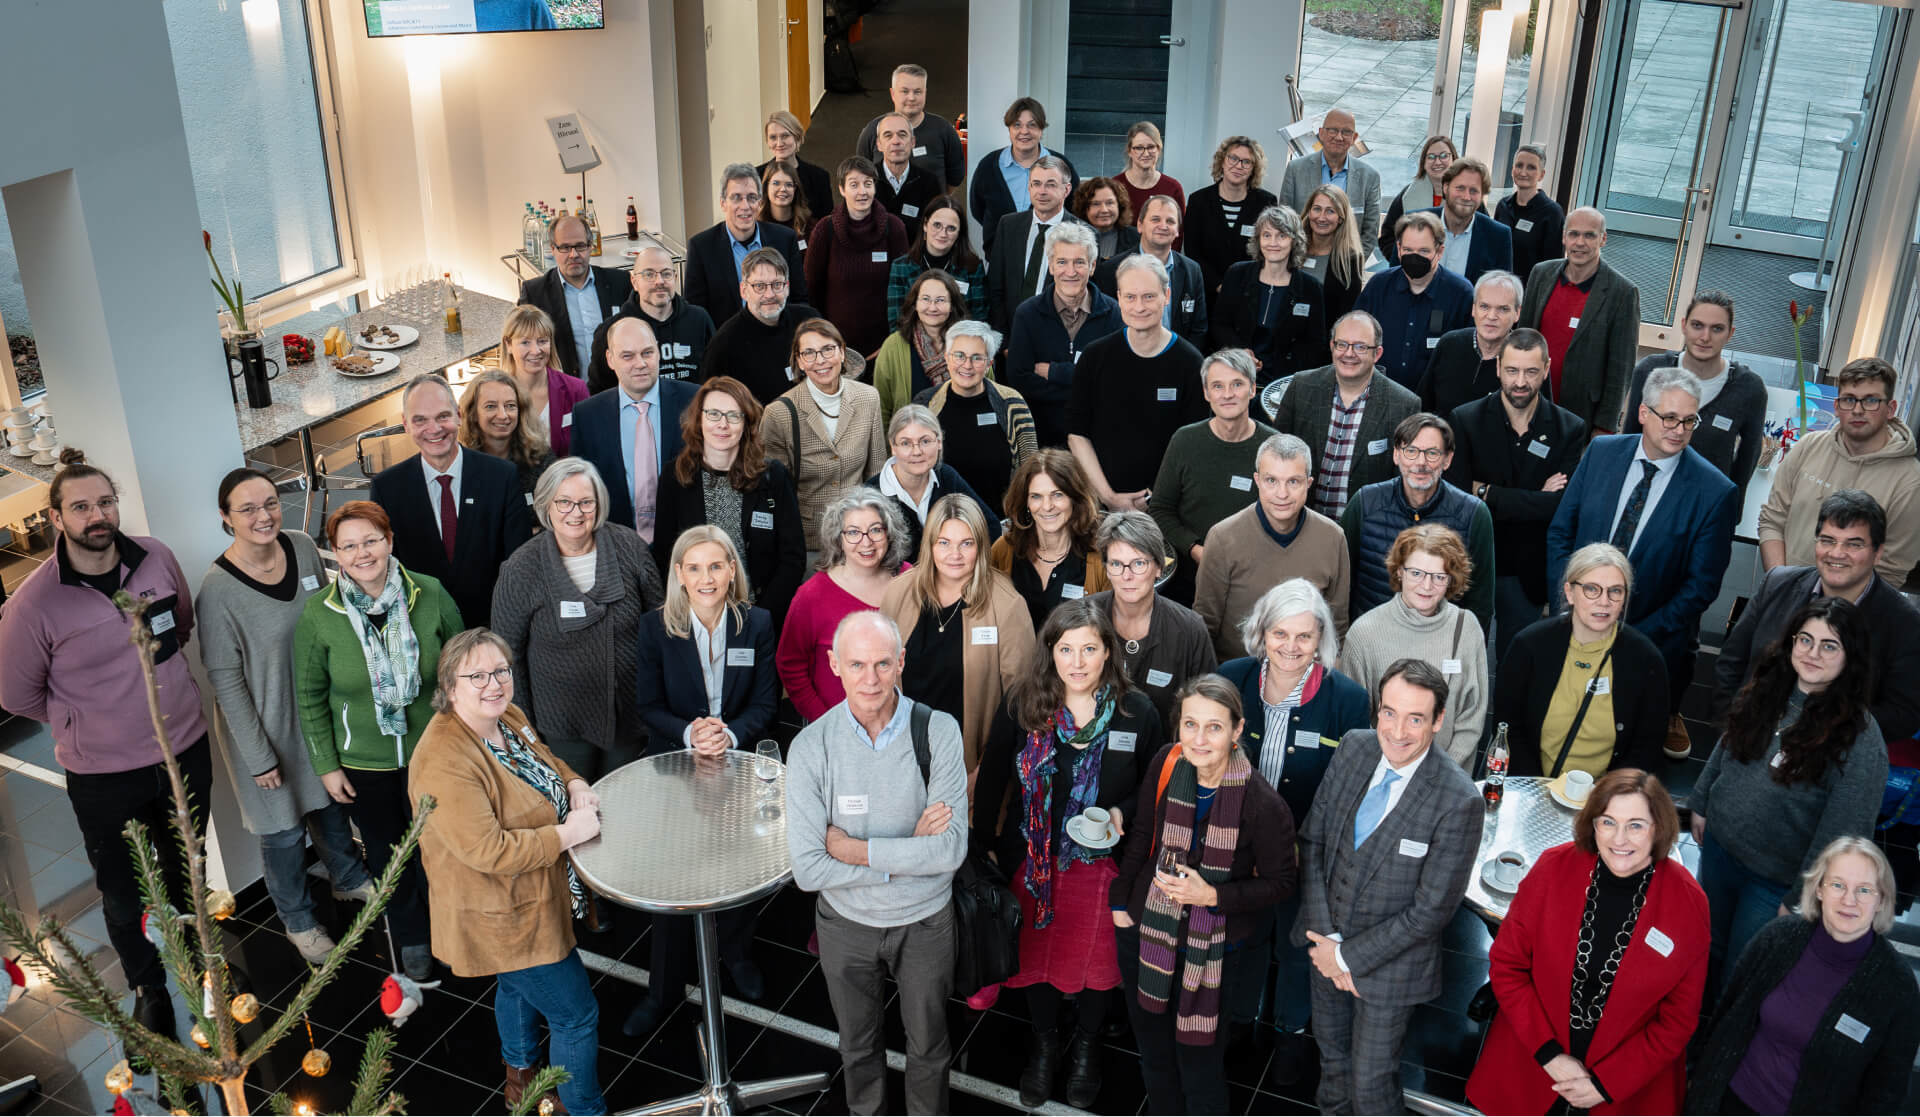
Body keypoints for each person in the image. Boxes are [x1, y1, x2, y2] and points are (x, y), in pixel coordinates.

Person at [0, 450, 211, 1037]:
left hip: (184, 750)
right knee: (122, 889)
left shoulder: (157, 558)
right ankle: (149, 987)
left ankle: (202, 969)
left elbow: (182, 626)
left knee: (187, 868)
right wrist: (84, 721)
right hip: (103, 778)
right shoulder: (34, 605)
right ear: (57, 516)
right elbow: (17, 695)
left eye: (106, 502)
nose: (98, 515)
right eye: (82, 506)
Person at [408, 628, 607, 1115]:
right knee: (577, 1017)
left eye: (500, 670)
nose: (493, 683)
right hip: (501, 914)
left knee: (516, 986)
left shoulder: (506, 716)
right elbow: (489, 850)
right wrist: (569, 834)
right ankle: (583, 1110)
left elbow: (547, 762)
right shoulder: (444, 759)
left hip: (534, 896)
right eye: (476, 675)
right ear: (450, 688)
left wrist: (575, 783)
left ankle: (520, 1079)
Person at [972, 601, 1160, 1109]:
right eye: (1066, 649)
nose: (1077, 662)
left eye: (1090, 649)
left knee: (1095, 966)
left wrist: (1120, 814)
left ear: (1107, 653)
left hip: (1101, 868)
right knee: (1036, 960)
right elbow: (992, 780)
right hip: (1031, 862)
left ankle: (1087, 1047)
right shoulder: (1024, 703)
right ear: (1050, 651)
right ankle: (1047, 1042)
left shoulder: (1135, 711)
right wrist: (982, 845)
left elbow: (1151, 791)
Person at [786, 610, 968, 1115]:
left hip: (925, 922)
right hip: (846, 927)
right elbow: (808, 868)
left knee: (929, 1046)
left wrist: (854, 849)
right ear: (834, 665)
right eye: (858, 664)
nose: (871, 679)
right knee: (857, 1045)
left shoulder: (939, 732)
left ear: (901, 662)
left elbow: (950, 850)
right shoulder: (810, 747)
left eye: (883, 664)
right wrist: (909, 846)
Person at [198, 468, 374, 964]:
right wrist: (258, 758)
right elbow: (226, 681)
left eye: (270, 503)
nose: (263, 516)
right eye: (248, 508)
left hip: (316, 713)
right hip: (266, 727)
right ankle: (297, 919)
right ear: (226, 518)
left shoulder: (298, 546)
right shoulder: (218, 591)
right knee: (282, 832)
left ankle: (348, 877)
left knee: (331, 804)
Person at [1293, 659, 1481, 1115]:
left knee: (1372, 1082)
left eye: (1416, 718)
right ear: (1377, 710)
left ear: (1438, 721)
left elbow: (1430, 912)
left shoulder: (1458, 800)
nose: (1398, 731)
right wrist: (1327, 942)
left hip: (1390, 969)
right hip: (1324, 944)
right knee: (1332, 1060)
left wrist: (1346, 957)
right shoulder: (1354, 748)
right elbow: (1314, 839)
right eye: (1390, 713)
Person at [1466, 769, 1707, 1116]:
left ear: (1659, 828)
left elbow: (1677, 1021)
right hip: (1531, 1062)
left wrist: (1606, 1083)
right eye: (1608, 822)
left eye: (1636, 825)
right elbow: (1508, 966)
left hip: (1625, 1089)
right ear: (1592, 824)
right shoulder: (1553, 868)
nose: (1620, 839)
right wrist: (1548, 1054)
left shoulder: (1688, 903)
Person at [1111, 674, 1296, 1115]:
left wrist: (1212, 896)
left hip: (1213, 949)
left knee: (1198, 1066)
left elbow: (1282, 883)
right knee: (1154, 1055)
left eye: (1214, 726)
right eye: (1190, 724)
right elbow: (1142, 835)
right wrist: (1121, 904)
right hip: (1147, 931)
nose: (1199, 738)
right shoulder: (1166, 762)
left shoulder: (1262, 804)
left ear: (1237, 730)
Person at [294, 500, 463, 981]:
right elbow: (309, 696)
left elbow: (462, 668)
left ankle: (452, 931)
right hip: (364, 765)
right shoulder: (319, 616)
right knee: (391, 856)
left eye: (371, 540)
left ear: (390, 541)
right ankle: (411, 937)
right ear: (335, 554)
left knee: (443, 847)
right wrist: (327, 764)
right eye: (349, 545)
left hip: (434, 753)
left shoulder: (428, 593)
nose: (362, 552)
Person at [1691, 597, 1888, 994]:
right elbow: (1728, 744)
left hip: (1774, 883)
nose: (1813, 653)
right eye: (1805, 640)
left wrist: (1801, 898)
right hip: (1718, 851)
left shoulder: (1861, 738)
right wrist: (1700, 800)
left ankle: (1717, 1053)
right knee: (1700, 954)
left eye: (1829, 645)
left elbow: (1843, 833)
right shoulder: (1770, 688)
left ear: (1851, 657)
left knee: (1744, 975)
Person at [627, 526, 780, 1033]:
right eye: (694, 568)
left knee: (738, 870)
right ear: (679, 575)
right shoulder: (656, 628)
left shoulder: (756, 624)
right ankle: (662, 989)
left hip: (735, 764)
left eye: (716, 566)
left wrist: (730, 736)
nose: (706, 577)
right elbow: (648, 705)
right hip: (676, 767)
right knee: (673, 877)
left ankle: (737, 958)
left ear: (732, 569)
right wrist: (691, 733)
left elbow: (764, 703)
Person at [1214, 579, 1369, 1081]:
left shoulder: (1348, 699)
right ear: (1261, 633)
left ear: (1320, 638)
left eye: (1304, 637)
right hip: (1236, 843)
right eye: (1280, 633)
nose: (1291, 647)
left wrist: (1306, 846)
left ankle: (1288, 1029)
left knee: (1296, 940)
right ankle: (1239, 1019)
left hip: (1309, 849)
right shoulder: (1231, 680)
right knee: (1243, 932)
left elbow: (1347, 789)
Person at [1547, 366, 1738, 760]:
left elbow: (1700, 587)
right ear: (1643, 413)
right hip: (1572, 625)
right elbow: (1561, 534)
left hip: (1647, 641)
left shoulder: (1714, 492)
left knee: (1622, 751)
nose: (1679, 429)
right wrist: (1569, 605)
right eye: (1669, 417)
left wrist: (1633, 635)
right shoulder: (1601, 453)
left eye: (1689, 420)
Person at [1686, 837, 1920, 1115]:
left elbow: (1885, 1093)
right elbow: (1726, 1014)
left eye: (1865, 890)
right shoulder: (1779, 937)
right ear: (1819, 888)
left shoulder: (1898, 988)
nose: (1849, 900)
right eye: (1837, 885)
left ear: (1882, 899)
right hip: (1725, 1101)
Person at [492, 457, 664, 784]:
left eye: (586, 502)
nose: (576, 512)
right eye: (564, 502)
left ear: (599, 505)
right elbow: (505, 659)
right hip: (559, 729)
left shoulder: (631, 549)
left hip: (630, 718)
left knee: (625, 808)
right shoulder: (520, 569)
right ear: (546, 506)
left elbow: (660, 627)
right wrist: (525, 731)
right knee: (575, 815)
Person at [1714, 489, 1920, 744]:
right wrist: (1732, 729)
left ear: (1878, 552)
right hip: (1746, 743)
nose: (1836, 553)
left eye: (1853, 544)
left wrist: (1819, 737)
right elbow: (1731, 663)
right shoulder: (1777, 585)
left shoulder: (1904, 624)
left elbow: (1903, 715)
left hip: (1829, 763)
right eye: (1827, 540)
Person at [1445, 327, 1589, 660]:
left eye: (1530, 371)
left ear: (1547, 369)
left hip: (1528, 572)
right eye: (1511, 370)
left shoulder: (1570, 428)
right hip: (1472, 563)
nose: (1520, 382)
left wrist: (1485, 490)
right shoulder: (1465, 420)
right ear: (1498, 368)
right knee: (1458, 660)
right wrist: (1533, 497)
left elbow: (1557, 507)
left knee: (1516, 664)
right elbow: (1457, 499)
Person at [881, 495, 1037, 773]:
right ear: (930, 544)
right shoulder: (898, 592)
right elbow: (880, 675)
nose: (955, 555)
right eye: (944, 543)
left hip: (970, 764)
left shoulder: (1007, 604)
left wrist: (986, 768)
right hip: (902, 756)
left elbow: (1022, 700)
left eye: (967, 543)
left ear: (981, 546)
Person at [370, 373, 531, 628]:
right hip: (425, 632)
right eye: (420, 420)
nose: (434, 429)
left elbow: (519, 564)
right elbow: (387, 573)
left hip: (492, 627)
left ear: (457, 415)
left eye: (443, 416)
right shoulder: (387, 488)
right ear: (406, 424)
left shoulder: (501, 476)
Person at [1498, 542, 1668, 778]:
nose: (1604, 601)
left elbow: (1646, 749)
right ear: (1570, 592)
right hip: (1532, 788)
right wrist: (1537, 789)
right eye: (1592, 589)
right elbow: (1508, 728)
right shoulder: (1529, 646)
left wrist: (1604, 798)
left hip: (1604, 800)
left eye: (1615, 591)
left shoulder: (1646, 660)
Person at [653, 376, 806, 630]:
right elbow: (665, 555)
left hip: (760, 616)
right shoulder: (675, 477)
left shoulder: (772, 476)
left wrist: (761, 618)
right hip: (694, 618)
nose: (723, 424)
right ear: (698, 419)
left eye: (734, 416)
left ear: (746, 423)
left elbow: (792, 557)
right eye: (713, 414)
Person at [1758, 355, 1920, 584]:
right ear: (1836, 406)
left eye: (1871, 400)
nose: (1857, 410)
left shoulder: (1911, 482)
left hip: (1845, 615)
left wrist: (1829, 612)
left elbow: (1890, 572)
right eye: (1849, 399)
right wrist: (1780, 584)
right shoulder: (1808, 446)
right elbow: (1773, 520)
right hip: (1780, 596)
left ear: (1891, 408)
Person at [1068, 254, 1208, 511]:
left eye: (1149, 296)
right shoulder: (1094, 357)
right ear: (1118, 297)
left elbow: (1194, 446)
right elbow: (1078, 436)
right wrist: (1109, 497)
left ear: (1166, 296)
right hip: (1100, 504)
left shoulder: (1190, 364)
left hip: (1167, 508)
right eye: (1130, 297)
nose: (1139, 307)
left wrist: (1156, 499)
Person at [1193, 433, 1352, 658]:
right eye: (1271, 481)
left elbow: (1337, 627)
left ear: (1308, 483)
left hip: (1305, 674)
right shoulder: (1222, 538)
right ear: (1257, 481)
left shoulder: (1333, 538)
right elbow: (1204, 626)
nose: (1282, 493)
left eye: (1293, 482)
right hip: (1237, 674)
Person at [1339, 523, 1487, 765]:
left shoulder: (1467, 628)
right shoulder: (1365, 633)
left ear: (1451, 579)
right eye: (1416, 573)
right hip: (1383, 772)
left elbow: (1472, 715)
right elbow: (1355, 722)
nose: (1426, 586)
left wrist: (1447, 770)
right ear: (1399, 571)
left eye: (1439, 577)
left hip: (1446, 777)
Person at [1340, 412, 1496, 633]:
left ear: (1447, 459)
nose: (1420, 462)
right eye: (1411, 451)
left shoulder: (1474, 514)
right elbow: (1341, 581)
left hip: (1439, 644)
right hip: (1372, 639)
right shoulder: (1365, 503)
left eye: (1432, 453)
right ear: (1396, 455)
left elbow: (1480, 602)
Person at [1149, 348, 1276, 605]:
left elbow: (1284, 517)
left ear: (1253, 390)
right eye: (1217, 386)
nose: (1227, 394)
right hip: (1187, 582)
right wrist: (1197, 551)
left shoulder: (1273, 447)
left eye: (1237, 384)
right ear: (1206, 393)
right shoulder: (1185, 440)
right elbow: (1160, 510)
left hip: (1252, 583)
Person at [1271, 310, 1422, 520]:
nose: (1349, 353)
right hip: (1299, 521)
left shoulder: (1404, 404)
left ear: (1377, 353)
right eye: (1342, 344)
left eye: (1360, 347)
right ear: (1332, 347)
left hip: (1364, 529)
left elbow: (1403, 482)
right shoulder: (1302, 386)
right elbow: (1274, 455)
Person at [779, 490, 914, 722]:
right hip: (837, 726)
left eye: (875, 530)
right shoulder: (811, 596)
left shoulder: (909, 579)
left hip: (904, 723)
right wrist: (825, 721)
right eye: (853, 532)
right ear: (838, 538)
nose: (866, 542)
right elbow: (790, 665)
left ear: (889, 533)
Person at [760, 318, 888, 554]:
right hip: (808, 542)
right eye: (809, 353)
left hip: (861, 539)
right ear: (799, 361)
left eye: (828, 349)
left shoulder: (868, 398)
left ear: (842, 352)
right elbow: (773, 492)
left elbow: (876, 475)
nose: (820, 360)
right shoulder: (778, 413)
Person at [1624, 290, 1766, 503]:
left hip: (1704, 507)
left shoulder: (1749, 389)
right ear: (1683, 325)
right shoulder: (1650, 371)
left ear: (1730, 333)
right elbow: (1630, 437)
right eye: (1697, 325)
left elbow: (1747, 459)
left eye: (1717, 329)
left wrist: (1730, 510)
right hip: (1643, 498)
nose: (1705, 337)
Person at [567, 316, 698, 541]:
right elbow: (582, 488)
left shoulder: (695, 400)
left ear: (658, 352)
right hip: (615, 544)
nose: (640, 363)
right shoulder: (587, 415)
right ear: (610, 359)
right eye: (627, 356)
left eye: (647, 353)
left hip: (685, 541)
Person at [1088, 512, 1216, 730]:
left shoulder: (1190, 630)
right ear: (1106, 568)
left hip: (1164, 757)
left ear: (1159, 567)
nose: (1127, 576)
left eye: (1138, 564)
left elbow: (1209, 709)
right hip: (1089, 755)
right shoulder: (1079, 618)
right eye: (1117, 564)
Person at [1519, 206, 1642, 433]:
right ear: (1564, 238)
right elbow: (1522, 338)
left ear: (1603, 239)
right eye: (1574, 234)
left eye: (1589, 235)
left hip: (1581, 414)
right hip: (1529, 402)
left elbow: (1621, 367)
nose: (1580, 243)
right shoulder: (1541, 273)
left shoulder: (1622, 292)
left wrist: (1604, 427)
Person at [1005, 221, 1122, 446]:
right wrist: (1086, 386)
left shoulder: (1113, 313)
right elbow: (1020, 380)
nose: (1070, 272)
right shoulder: (1027, 314)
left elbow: (1114, 380)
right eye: (1062, 262)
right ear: (1050, 266)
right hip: (1042, 438)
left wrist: (1055, 371)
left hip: (1097, 437)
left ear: (1093, 266)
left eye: (1079, 262)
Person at [916, 319, 1037, 513]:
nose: (967, 365)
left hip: (1002, 520)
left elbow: (1032, 469)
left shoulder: (1012, 404)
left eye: (977, 358)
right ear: (946, 357)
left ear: (989, 363)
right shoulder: (925, 404)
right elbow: (913, 467)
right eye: (959, 355)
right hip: (942, 521)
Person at [991, 449, 1111, 630]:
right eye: (1036, 496)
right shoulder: (1004, 549)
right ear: (1026, 502)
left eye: (1058, 495)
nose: (1047, 506)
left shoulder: (1100, 554)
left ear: (1075, 498)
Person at [1355, 211, 1475, 392]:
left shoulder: (1461, 294)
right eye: (1408, 250)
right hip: (1377, 395)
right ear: (1398, 248)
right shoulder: (1379, 286)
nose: (1414, 257)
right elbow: (1356, 337)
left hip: (1433, 403)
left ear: (1440, 251)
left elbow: (1466, 356)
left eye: (1424, 251)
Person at [1207, 204, 1329, 382]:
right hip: (1237, 373)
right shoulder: (1236, 274)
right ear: (1258, 239)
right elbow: (1219, 325)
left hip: (1285, 381)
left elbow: (1315, 344)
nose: (1273, 243)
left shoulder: (1310, 288)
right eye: (1267, 235)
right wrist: (1239, 351)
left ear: (1294, 241)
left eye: (1282, 235)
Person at [805, 156, 910, 357]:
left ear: (875, 188)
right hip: (835, 345)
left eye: (868, 184)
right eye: (854, 185)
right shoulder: (824, 230)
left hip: (886, 344)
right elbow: (811, 289)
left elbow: (905, 288)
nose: (862, 191)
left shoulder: (894, 228)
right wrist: (823, 338)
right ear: (842, 189)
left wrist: (895, 339)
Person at [684, 163, 808, 330]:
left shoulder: (785, 239)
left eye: (751, 197)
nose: (745, 206)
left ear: (760, 201)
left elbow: (799, 300)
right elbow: (696, 313)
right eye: (736, 197)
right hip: (726, 346)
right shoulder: (701, 247)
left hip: (779, 339)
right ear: (723, 203)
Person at [870, 402, 998, 559]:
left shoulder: (946, 477)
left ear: (939, 442)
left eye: (925, 441)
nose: (917, 451)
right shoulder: (872, 494)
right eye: (905, 443)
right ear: (893, 446)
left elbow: (991, 527)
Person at [698, 246, 823, 405]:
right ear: (744, 290)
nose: (770, 294)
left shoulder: (810, 321)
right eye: (759, 286)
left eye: (777, 284)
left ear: (787, 287)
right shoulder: (724, 346)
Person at [585, 241, 715, 391]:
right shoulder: (612, 330)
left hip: (693, 411)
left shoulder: (699, 320)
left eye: (666, 274)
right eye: (649, 275)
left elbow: (716, 376)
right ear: (634, 281)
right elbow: (599, 391)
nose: (659, 281)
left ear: (675, 278)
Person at [516, 213, 627, 379]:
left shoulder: (620, 282)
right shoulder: (535, 294)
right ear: (553, 249)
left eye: (580, 246)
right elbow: (522, 347)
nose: (573, 254)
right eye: (565, 248)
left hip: (617, 388)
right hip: (565, 392)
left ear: (591, 246)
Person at [971, 96, 1082, 253]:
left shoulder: (1062, 166)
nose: (1024, 132)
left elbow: (1074, 208)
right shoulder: (989, 166)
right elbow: (978, 209)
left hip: (1049, 259)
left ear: (1041, 130)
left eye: (1032, 125)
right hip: (998, 255)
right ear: (1009, 129)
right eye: (1017, 125)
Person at [1092, 195, 1208, 344]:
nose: (1163, 226)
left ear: (1178, 230)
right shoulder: (1111, 270)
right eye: (1155, 219)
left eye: (1170, 221)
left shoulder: (1192, 270)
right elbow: (1104, 325)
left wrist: (1184, 361)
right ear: (1140, 225)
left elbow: (1199, 327)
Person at [988, 155, 1081, 334]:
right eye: (1036, 184)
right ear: (1029, 187)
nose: (1042, 191)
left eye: (1051, 184)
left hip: (1057, 338)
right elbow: (995, 287)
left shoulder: (1082, 233)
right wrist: (1005, 340)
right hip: (1011, 336)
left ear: (1066, 189)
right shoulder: (1008, 225)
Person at [1415, 269, 1522, 422]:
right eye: (1484, 307)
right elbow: (1423, 407)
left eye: (1503, 309)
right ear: (1473, 309)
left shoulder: (1525, 359)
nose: (1491, 316)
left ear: (1517, 313)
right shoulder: (1449, 344)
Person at [1278, 108, 1384, 261]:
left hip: (1345, 266)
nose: (1339, 137)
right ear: (1321, 133)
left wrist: (1352, 266)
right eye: (1333, 130)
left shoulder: (1370, 177)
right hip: (1302, 262)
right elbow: (1285, 220)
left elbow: (1370, 232)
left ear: (1354, 137)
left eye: (1346, 132)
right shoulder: (1296, 170)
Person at [1186, 136, 1278, 295]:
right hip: (1207, 292)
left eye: (1246, 162)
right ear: (1222, 161)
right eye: (1233, 158)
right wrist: (1218, 285)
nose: (1238, 166)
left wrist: (1244, 285)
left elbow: (1269, 250)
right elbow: (1192, 252)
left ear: (1253, 169)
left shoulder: (1266, 202)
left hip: (1250, 291)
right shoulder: (1198, 201)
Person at [495, 304, 591, 455]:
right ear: (509, 345)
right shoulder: (495, 395)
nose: (536, 351)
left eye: (542, 341)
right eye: (525, 342)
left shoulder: (576, 389)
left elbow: (590, 447)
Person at [853, 63, 966, 188]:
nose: (911, 98)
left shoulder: (944, 130)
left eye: (918, 91)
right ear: (893, 94)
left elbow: (954, 179)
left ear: (925, 93)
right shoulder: (872, 131)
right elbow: (861, 177)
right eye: (905, 91)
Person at [874, 269, 967, 422]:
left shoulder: (970, 343)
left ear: (952, 305)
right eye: (925, 299)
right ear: (914, 304)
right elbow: (881, 408)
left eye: (941, 300)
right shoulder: (893, 346)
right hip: (911, 442)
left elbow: (988, 394)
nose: (932, 307)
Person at [885, 194, 987, 324]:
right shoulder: (901, 267)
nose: (943, 234)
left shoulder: (973, 267)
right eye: (937, 225)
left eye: (951, 228)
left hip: (960, 342)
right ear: (925, 225)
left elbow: (979, 320)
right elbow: (897, 322)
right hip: (912, 342)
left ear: (959, 232)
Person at [456, 370, 547, 502]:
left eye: (510, 406)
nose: (503, 415)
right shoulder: (460, 466)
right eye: (491, 406)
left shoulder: (541, 458)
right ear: (473, 414)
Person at [1417, 157, 1512, 282]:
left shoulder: (1498, 237)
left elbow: (1502, 291)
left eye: (1474, 191)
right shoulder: (1415, 224)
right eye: (1460, 188)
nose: (1466, 197)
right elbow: (1396, 280)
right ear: (1446, 187)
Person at [1378, 135, 1462, 261]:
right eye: (1431, 157)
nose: (1437, 162)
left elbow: (1483, 235)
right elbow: (1387, 237)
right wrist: (1403, 262)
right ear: (1423, 163)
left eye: (1444, 156)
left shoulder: (1467, 195)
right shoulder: (1408, 195)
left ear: (1454, 159)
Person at [1495, 143, 1565, 284]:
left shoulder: (1552, 213)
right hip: (1500, 288)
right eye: (1519, 165)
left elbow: (1553, 266)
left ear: (1541, 175)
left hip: (1531, 293)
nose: (1523, 172)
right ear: (1512, 169)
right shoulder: (1503, 206)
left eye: (1531, 167)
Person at [1299, 184, 1367, 323]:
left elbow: (1346, 314)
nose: (1322, 218)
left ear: (1341, 218)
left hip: (1322, 338)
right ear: (1309, 212)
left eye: (1330, 211)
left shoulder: (1350, 259)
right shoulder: (1293, 248)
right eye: (1317, 209)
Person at [871, 112, 944, 241]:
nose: (896, 141)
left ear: (913, 142)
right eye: (888, 135)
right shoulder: (866, 179)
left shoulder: (929, 182)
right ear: (879, 144)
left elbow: (935, 230)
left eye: (902, 135)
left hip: (914, 258)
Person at [1116, 121, 1186, 247]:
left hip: (1161, 261)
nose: (1146, 153)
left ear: (1158, 149)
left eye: (1151, 147)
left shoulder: (1173, 188)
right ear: (1129, 151)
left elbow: (1179, 232)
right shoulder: (1115, 186)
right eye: (1139, 148)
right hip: (1123, 260)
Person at [758, 108, 834, 219]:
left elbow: (826, 224)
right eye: (773, 137)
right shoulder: (755, 176)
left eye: (785, 136)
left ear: (797, 137)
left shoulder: (819, 177)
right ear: (768, 142)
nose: (779, 143)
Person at [1072, 176, 1139, 262]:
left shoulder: (1137, 239)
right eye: (1096, 204)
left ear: (1120, 205)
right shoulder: (1072, 238)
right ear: (1084, 208)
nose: (1104, 210)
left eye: (1109, 203)